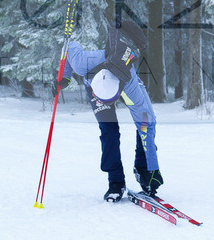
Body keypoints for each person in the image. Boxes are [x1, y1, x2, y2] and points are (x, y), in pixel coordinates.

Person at [56, 17, 162, 202]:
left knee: (147, 121)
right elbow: (68, 46)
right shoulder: (83, 64)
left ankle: (144, 171)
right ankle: (115, 182)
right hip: (96, 82)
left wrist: (153, 167)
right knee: (109, 131)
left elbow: (146, 125)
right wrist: (64, 77)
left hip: (125, 78)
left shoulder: (129, 86)